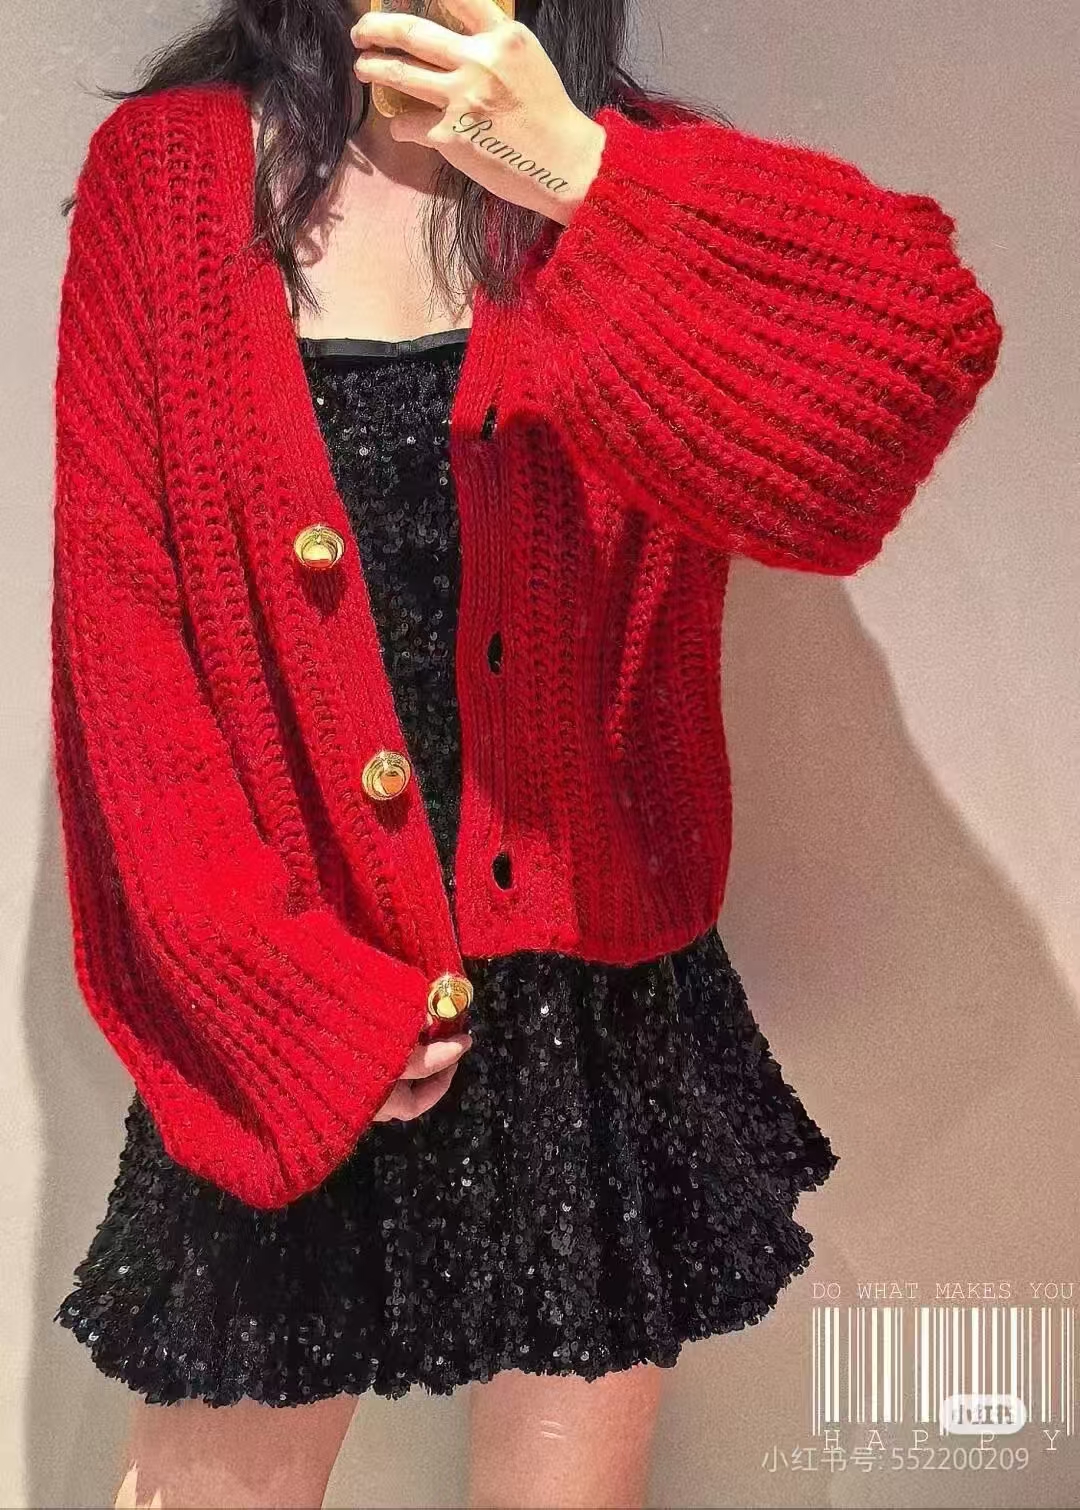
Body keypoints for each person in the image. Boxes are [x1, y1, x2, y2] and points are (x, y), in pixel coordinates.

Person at [48, 0, 1002, 1505]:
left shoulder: (627, 171)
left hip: (587, 1005)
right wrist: (275, 995)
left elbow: (906, 372)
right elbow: (123, 645)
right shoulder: (170, 176)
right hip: (296, 989)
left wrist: (584, 175)